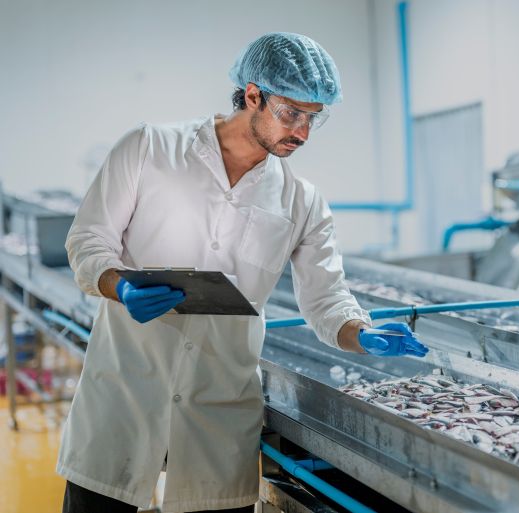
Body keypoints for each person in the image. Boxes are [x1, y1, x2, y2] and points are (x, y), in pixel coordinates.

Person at [58, 32, 428, 513]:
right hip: (126, 391)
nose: (303, 133)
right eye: (290, 113)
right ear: (253, 95)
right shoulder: (150, 148)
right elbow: (88, 240)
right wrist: (118, 284)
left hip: (218, 408)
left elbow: (326, 300)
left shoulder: (302, 200)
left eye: (314, 118)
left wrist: (361, 332)